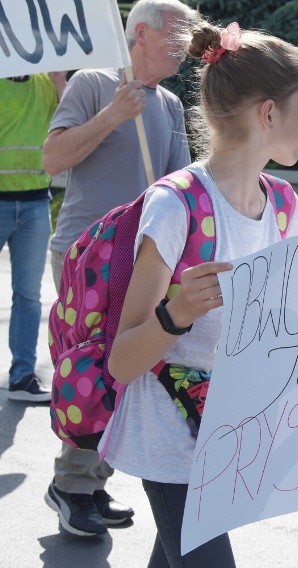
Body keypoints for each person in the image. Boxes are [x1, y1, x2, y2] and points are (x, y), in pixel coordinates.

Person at [102, 19, 298, 566]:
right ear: (268, 113)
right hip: (171, 439)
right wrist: (177, 314)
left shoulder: (285, 206)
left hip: (230, 436)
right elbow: (123, 362)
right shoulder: (176, 206)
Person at [41, 0, 200, 539]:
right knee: (90, 370)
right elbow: (53, 158)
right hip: (89, 256)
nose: (186, 44)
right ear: (139, 34)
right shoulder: (91, 82)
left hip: (140, 260)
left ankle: (90, 479)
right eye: (177, 34)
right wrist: (113, 114)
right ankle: (72, 486)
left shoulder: (173, 105)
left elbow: (178, 186)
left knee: (121, 372)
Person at [0, 72, 66, 403]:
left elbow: (70, 123)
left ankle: (22, 376)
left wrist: (59, 82)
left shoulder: (48, 82)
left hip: (36, 203)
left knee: (28, 296)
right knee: (26, 297)